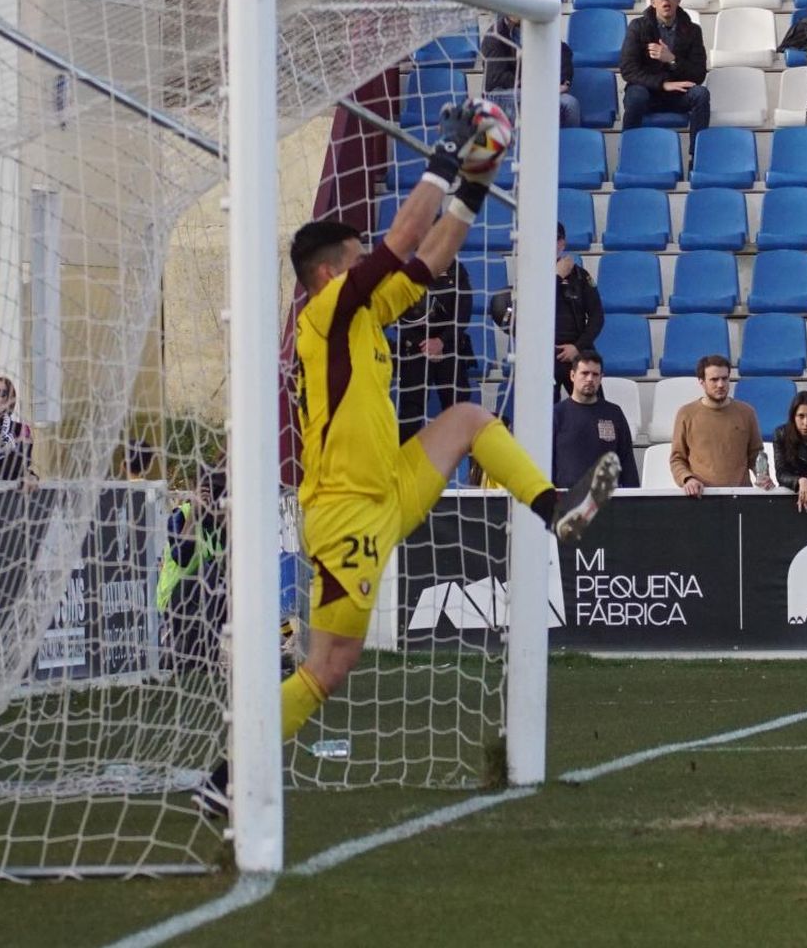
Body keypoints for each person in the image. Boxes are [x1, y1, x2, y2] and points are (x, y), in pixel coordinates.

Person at [194, 100, 620, 818]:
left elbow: (431, 258)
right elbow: (400, 242)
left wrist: (475, 181)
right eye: (356, 258)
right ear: (328, 272)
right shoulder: (324, 313)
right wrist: (445, 158)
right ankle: (228, 776)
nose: (369, 262)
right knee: (329, 666)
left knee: (470, 419)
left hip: (385, 485)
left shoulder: (360, 314)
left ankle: (555, 507)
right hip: (344, 510)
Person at [619, 0, 710, 160]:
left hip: (677, 95)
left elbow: (699, 73)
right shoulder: (638, 26)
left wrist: (672, 60)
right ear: (653, 2)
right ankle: (628, 155)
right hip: (647, 91)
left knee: (701, 94)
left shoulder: (692, 30)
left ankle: (697, 158)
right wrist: (662, 84)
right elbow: (628, 69)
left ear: (678, 0)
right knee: (636, 95)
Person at [394, 258, 474, 443]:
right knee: (410, 411)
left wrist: (441, 341)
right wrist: (424, 344)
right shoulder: (409, 272)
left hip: (450, 346)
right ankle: (404, 455)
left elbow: (463, 314)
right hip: (415, 348)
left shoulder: (457, 271)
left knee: (457, 403)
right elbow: (397, 317)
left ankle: (455, 456)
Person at [669, 355, 771, 495]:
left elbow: (756, 454)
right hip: (701, 496)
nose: (721, 384)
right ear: (701, 382)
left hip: (741, 495)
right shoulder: (686, 414)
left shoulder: (747, 412)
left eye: (724, 378)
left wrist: (763, 476)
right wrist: (687, 479)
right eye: (714, 379)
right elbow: (677, 458)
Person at [157, 467, 228, 668]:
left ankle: (206, 654)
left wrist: (222, 519)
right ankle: (175, 641)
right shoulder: (180, 516)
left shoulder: (220, 521)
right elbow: (182, 557)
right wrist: (195, 516)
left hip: (205, 597)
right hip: (175, 598)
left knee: (227, 584)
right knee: (210, 574)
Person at [551, 350, 639, 490]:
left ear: (601, 378)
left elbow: (627, 461)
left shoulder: (614, 413)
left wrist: (633, 497)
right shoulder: (556, 414)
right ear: (572, 375)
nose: (590, 379)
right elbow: (548, 462)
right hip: (567, 498)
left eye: (595, 374)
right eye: (584, 373)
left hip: (607, 497)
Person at [481, 13, 581, 128]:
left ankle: (568, 139)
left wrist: (564, 81)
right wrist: (535, 85)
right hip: (502, 92)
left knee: (570, 104)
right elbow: (495, 78)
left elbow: (563, 51)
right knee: (538, 100)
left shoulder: (535, 29)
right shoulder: (494, 35)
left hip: (536, 89)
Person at [553, 222, 603, 397]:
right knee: (545, 410)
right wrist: (557, 277)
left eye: (554, 239)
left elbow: (597, 317)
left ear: (562, 243)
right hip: (544, 355)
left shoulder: (581, 276)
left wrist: (577, 347)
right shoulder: (530, 275)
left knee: (594, 406)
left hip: (579, 352)